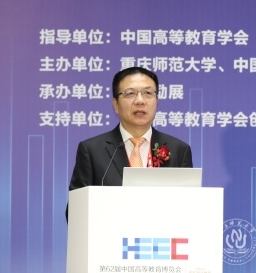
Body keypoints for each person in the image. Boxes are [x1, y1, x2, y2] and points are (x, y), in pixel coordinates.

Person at [68, 66, 193, 194]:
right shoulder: (92, 151)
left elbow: (189, 202)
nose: (140, 101)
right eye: (130, 93)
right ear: (116, 104)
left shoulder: (179, 151)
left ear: (157, 101)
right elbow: (77, 204)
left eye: (148, 93)